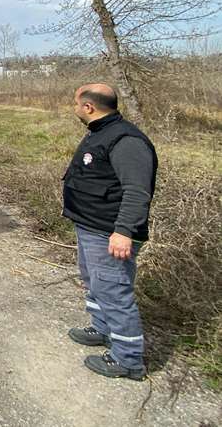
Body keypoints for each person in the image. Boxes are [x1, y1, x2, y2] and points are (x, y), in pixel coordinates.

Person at [64, 83, 157, 381]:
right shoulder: (102, 132)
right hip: (92, 227)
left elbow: (136, 191)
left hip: (110, 233)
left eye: (76, 103)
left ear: (88, 107)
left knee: (114, 290)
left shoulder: (126, 140)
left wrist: (124, 231)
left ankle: (128, 359)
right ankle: (101, 327)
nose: (74, 108)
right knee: (96, 282)